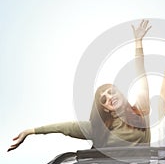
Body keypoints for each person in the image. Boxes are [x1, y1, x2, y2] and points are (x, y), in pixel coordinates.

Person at [8, 19, 152, 151]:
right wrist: (29, 131)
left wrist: (138, 41)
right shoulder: (98, 129)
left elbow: (140, 73)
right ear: (106, 109)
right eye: (104, 99)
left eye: (111, 91)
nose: (109, 97)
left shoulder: (141, 110)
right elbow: (64, 127)